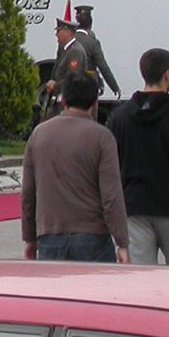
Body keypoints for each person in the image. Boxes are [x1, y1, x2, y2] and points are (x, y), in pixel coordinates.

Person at [105, 48, 169, 265]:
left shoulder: (119, 118)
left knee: (140, 278)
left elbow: (111, 166)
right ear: (167, 75)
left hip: (134, 207)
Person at [20, 70, 129, 264]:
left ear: (63, 101)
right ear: (95, 102)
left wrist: (29, 237)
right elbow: (111, 196)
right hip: (92, 236)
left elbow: (28, 194)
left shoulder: (39, 134)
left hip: (50, 235)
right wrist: (122, 242)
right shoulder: (102, 137)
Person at [43, 16, 91, 117]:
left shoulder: (75, 51)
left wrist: (55, 85)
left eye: (59, 31)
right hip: (61, 97)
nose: (56, 35)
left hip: (68, 101)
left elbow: (73, 78)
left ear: (68, 32)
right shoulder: (66, 49)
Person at [73, 5, 121, 98]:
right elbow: (103, 66)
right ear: (90, 26)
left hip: (71, 85)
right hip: (89, 85)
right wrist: (115, 87)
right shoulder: (93, 43)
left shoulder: (68, 41)